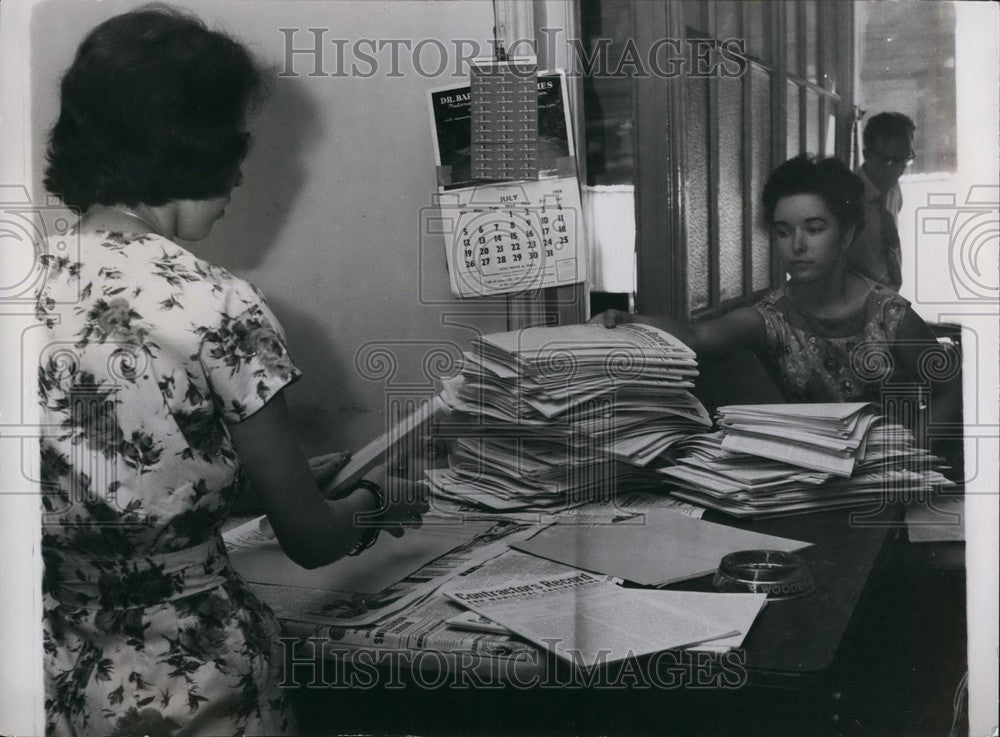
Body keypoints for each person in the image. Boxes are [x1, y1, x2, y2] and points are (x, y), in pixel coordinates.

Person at [37, 8, 428, 736]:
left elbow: (105, 479)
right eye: (236, 144)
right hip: (197, 684)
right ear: (197, 145)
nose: (244, 170)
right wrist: (381, 498)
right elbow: (312, 540)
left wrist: (254, 480)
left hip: (53, 674)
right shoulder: (215, 303)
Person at [591, 155, 960, 434]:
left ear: (846, 235)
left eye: (814, 229)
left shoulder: (889, 313)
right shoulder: (771, 319)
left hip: (892, 484)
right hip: (813, 480)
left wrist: (913, 449)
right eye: (784, 232)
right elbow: (695, 336)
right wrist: (626, 320)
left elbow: (953, 388)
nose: (797, 245)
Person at [849, 112, 917, 291]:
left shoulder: (894, 190)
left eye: (905, 160)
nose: (899, 171)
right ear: (867, 154)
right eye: (890, 161)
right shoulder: (845, 199)